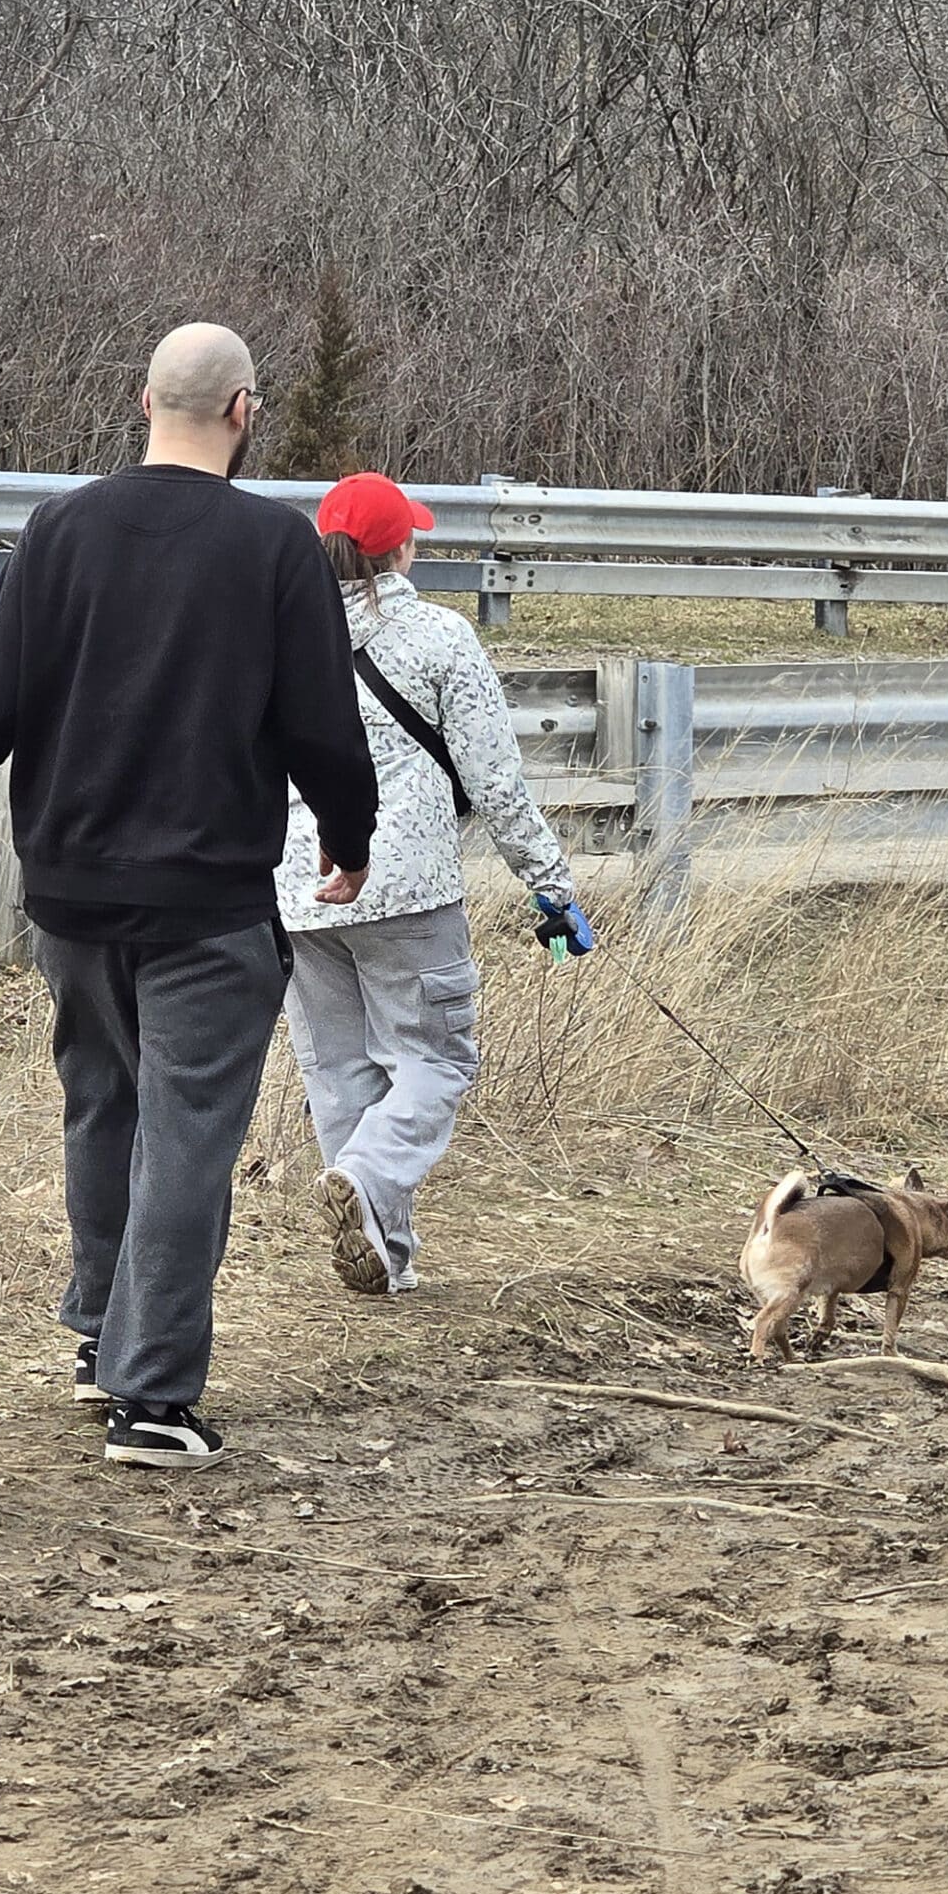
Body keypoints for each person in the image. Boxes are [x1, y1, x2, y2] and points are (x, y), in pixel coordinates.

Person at [0, 323, 377, 1466]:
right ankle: (151, 1399)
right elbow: (321, 724)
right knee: (186, 1137)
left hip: (66, 895)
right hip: (206, 904)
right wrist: (347, 839)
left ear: (140, 398)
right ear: (245, 412)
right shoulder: (276, 547)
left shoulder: (60, 529)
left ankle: (98, 1333)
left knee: (103, 1110)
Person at [277, 470, 594, 1296]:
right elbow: (495, 782)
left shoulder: (276, 636)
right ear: (401, 548)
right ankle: (370, 1182)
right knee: (439, 1060)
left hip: (297, 892)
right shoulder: (442, 638)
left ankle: (385, 1252)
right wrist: (549, 885)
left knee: (341, 1072)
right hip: (410, 886)